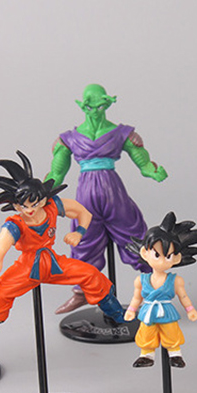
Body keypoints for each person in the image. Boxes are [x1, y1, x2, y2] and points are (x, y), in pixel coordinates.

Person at [0, 151, 125, 345]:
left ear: (42, 199)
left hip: (53, 263)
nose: (30, 209)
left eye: (34, 203)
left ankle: (117, 314)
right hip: (26, 267)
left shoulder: (52, 206)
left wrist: (79, 232)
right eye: (24, 206)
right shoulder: (14, 225)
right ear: (16, 205)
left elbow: (83, 212)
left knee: (91, 275)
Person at [46, 84, 167, 313]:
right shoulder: (68, 139)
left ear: (107, 104)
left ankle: (154, 289)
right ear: (83, 107)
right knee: (84, 240)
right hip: (85, 196)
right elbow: (56, 172)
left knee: (134, 236)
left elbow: (142, 160)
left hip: (114, 193)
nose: (94, 111)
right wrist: (44, 189)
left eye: (100, 106)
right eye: (89, 106)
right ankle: (82, 292)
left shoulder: (122, 133)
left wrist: (152, 171)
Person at [123, 212, 197, 368]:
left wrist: (190, 310)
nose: (162, 261)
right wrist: (131, 310)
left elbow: (183, 296)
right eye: (157, 255)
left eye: (168, 256)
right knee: (146, 332)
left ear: (176, 258)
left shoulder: (175, 280)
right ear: (144, 253)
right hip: (148, 312)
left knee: (171, 332)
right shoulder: (141, 280)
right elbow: (137, 297)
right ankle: (146, 355)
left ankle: (175, 354)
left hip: (167, 311)